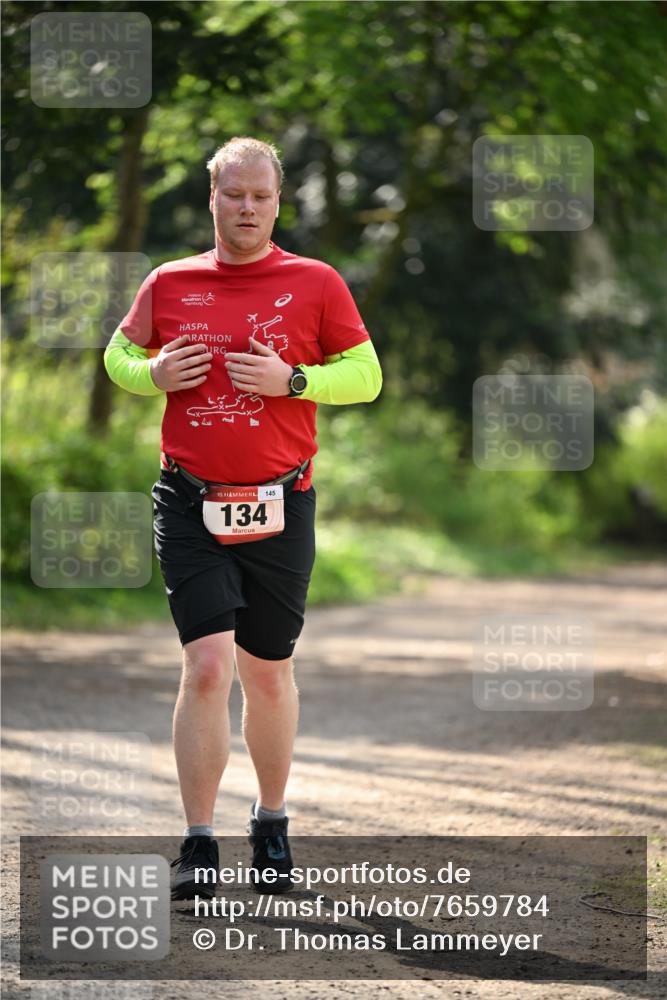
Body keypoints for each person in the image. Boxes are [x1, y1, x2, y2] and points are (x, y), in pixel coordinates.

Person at [104, 136, 382, 899]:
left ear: (277, 201)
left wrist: (293, 379)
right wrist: (151, 372)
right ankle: (197, 841)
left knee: (267, 672)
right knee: (205, 667)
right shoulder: (170, 281)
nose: (248, 208)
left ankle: (271, 819)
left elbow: (365, 377)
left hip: (281, 502)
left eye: (261, 196)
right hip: (189, 498)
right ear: (213, 199)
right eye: (234, 195)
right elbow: (117, 357)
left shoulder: (315, 281)